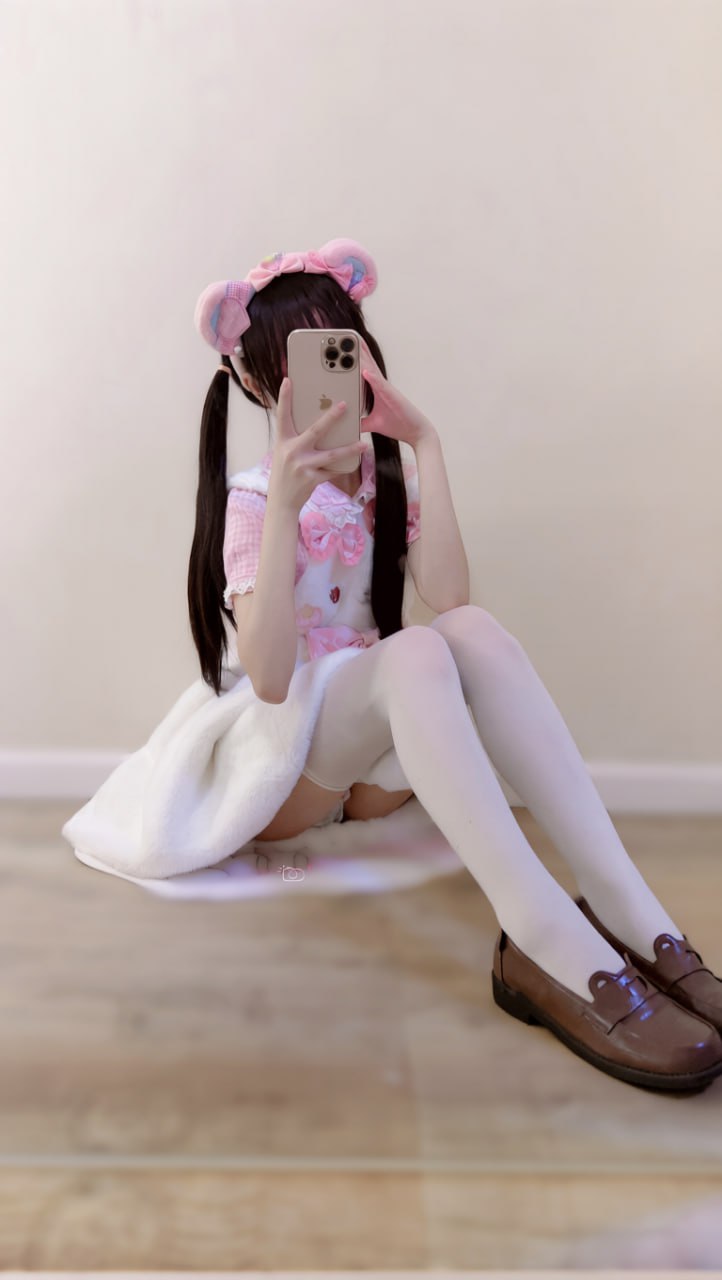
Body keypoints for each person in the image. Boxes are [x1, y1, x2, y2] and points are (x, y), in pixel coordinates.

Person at [63, 238, 722, 1090]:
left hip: (370, 756)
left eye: (338, 347)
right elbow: (271, 682)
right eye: (295, 363)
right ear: (257, 383)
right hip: (287, 758)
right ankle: (544, 937)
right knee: (412, 650)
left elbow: (450, 597)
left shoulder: (385, 480)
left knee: (467, 631)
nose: (326, 380)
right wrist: (287, 507)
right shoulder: (255, 502)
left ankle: (632, 912)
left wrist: (426, 446)